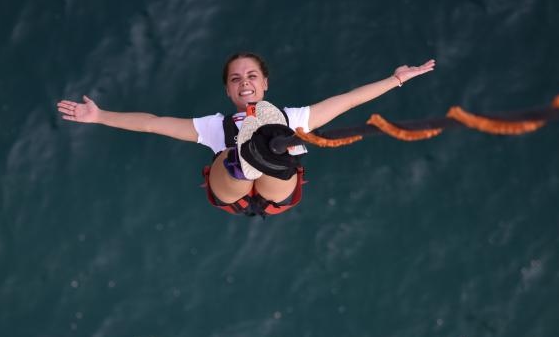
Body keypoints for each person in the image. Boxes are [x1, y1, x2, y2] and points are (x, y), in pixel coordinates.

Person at [56, 53, 435, 217]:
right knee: (245, 153)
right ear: (228, 92)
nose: (245, 82)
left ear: (265, 83)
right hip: (232, 190)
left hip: (276, 192)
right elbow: (154, 122)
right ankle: (248, 157)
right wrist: (100, 116)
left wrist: (396, 79)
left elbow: (349, 101)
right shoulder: (214, 126)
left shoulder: (296, 117)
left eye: (252, 75)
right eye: (236, 79)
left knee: (276, 150)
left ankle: (260, 154)